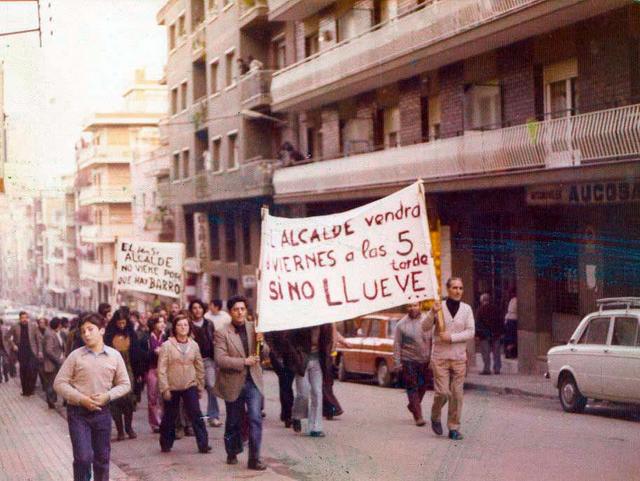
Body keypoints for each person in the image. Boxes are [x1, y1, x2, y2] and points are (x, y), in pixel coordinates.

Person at [53, 313, 131, 481]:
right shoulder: (76, 356)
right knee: (83, 458)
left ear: (101, 330)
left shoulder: (114, 356)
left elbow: (125, 384)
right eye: (83, 331)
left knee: (102, 460)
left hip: (102, 413)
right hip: (78, 414)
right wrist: (81, 399)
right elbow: (59, 383)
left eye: (90, 329)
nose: (86, 334)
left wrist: (107, 396)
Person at [214, 296, 267, 471]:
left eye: (243, 309)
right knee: (233, 421)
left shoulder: (255, 329)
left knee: (255, 418)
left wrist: (261, 342)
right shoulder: (222, 332)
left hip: (253, 381)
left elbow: (265, 353)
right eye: (236, 309)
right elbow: (220, 359)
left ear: (246, 311)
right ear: (230, 312)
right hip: (234, 382)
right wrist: (244, 361)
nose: (240, 312)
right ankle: (232, 450)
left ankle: (254, 458)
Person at [429, 278, 475, 441]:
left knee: (457, 394)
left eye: (460, 288)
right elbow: (424, 327)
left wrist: (452, 337)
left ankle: (454, 427)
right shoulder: (438, 307)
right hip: (440, 357)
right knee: (443, 392)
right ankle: (435, 415)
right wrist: (431, 313)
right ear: (448, 289)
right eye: (454, 288)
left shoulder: (466, 309)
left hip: (458, 357)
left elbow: (470, 332)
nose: (458, 291)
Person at [157, 314, 210, 454]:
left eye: (185, 325)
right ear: (174, 327)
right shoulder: (167, 345)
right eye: (180, 325)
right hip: (172, 387)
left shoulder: (194, 345)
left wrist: (200, 385)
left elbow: (199, 366)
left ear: (189, 327)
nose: (183, 327)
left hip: (189, 385)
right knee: (169, 416)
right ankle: (166, 444)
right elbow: (161, 369)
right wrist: (164, 388)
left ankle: (203, 444)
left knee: (196, 414)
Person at [104, 307, 143, 441]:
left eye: (123, 323)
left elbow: (137, 355)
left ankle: (129, 427)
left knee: (128, 400)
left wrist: (138, 373)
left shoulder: (131, 334)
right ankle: (120, 430)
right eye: (119, 323)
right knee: (115, 401)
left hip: (128, 371)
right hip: (113, 372)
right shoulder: (108, 336)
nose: (121, 325)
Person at [393, 302, 434, 426]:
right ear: (406, 308)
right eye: (410, 306)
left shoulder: (428, 320)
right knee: (412, 387)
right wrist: (397, 362)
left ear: (420, 306)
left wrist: (433, 358)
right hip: (409, 360)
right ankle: (418, 416)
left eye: (415, 305)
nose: (413, 308)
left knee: (423, 387)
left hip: (425, 360)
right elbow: (397, 344)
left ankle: (413, 405)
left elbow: (434, 340)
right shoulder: (401, 325)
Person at [288, 324, 333, 437]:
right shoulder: (302, 322)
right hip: (302, 361)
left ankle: (315, 428)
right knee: (303, 393)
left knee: (317, 392)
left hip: (318, 361)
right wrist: (296, 357)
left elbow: (328, 343)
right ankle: (297, 416)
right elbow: (289, 340)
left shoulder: (326, 325)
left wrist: (328, 358)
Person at [190, 299, 223, 428]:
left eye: (199, 307)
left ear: (203, 309)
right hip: (192, 362)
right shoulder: (188, 325)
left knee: (211, 385)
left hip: (208, 359)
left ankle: (213, 416)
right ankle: (194, 419)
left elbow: (213, 340)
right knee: (193, 390)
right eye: (194, 308)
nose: (197, 310)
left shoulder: (209, 323)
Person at [264, 330, 295, 427]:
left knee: (286, 383)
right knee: (285, 383)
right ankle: (287, 415)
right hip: (277, 355)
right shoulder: (274, 320)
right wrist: (273, 354)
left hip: (292, 356)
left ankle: (286, 413)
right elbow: (268, 338)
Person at [10, 311, 40, 396]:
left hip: (31, 352)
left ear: (28, 318)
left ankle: (30, 390)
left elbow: (38, 339)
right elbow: (8, 338)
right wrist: (13, 345)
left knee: (30, 371)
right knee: (23, 371)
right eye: (22, 318)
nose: (24, 319)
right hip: (21, 352)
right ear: (19, 318)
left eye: (25, 318)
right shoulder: (15, 326)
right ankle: (25, 391)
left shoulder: (33, 326)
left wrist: (39, 351)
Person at [146, 315, 167, 433]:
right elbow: (145, 354)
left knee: (164, 396)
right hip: (152, 368)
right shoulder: (148, 338)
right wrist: (154, 352)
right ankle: (155, 423)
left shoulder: (166, 336)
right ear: (153, 324)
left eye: (163, 321)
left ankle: (164, 420)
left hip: (164, 369)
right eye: (159, 322)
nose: (162, 324)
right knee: (152, 397)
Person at [475, 293, 503, 375]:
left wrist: (477, 334)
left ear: (482, 301)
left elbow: (478, 323)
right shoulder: (496, 309)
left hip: (484, 335)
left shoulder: (480, 310)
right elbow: (500, 321)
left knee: (485, 352)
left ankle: (487, 369)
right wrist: (501, 332)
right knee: (496, 352)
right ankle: (497, 368)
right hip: (496, 333)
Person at [43, 317, 66, 408]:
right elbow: (48, 350)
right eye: (60, 324)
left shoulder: (58, 333)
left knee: (60, 382)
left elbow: (61, 346)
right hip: (52, 364)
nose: (61, 325)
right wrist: (57, 359)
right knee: (51, 384)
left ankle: (59, 400)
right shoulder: (50, 335)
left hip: (59, 362)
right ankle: (50, 402)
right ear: (57, 324)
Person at [504, 289, 518, 359]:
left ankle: (508, 352)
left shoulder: (512, 300)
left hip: (509, 319)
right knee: (513, 338)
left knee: (509, 338)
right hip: (514, 320)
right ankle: (511, 352)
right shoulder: (516, 300)